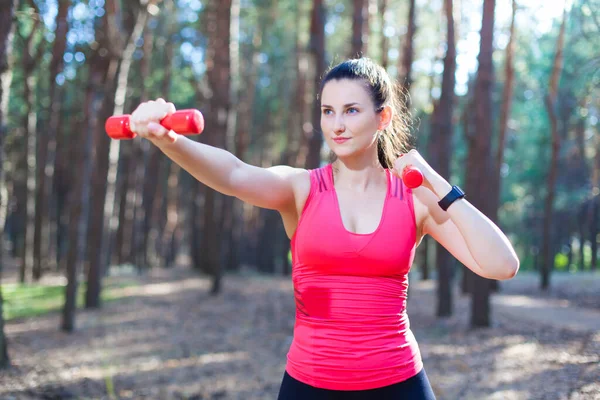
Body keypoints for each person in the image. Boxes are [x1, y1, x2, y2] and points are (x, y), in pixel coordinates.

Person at [128, 57, 519, 399]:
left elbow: (501, 265)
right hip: (310, 385)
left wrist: (436, 183)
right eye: (327, 111)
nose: (336, 125)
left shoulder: (415, 199)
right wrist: (169, 139)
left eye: (351, 110)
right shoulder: (300, 188)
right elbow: (233, 173)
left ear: (382, 117)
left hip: (398, 382)